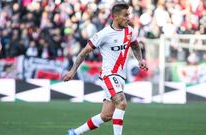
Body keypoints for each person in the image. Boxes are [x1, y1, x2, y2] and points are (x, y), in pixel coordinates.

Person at [63, 3, 148, 135]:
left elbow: (135, 46)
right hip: (108, 75)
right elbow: (84, 52)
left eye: (129, 15)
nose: (129, 18)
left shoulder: (130, 31)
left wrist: (140, 60)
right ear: (115, 17)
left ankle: (74, 132)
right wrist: (72, 71)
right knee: (122, 103)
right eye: (125, 15)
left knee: (106, 115)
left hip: (120, 77)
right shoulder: (104, 34)